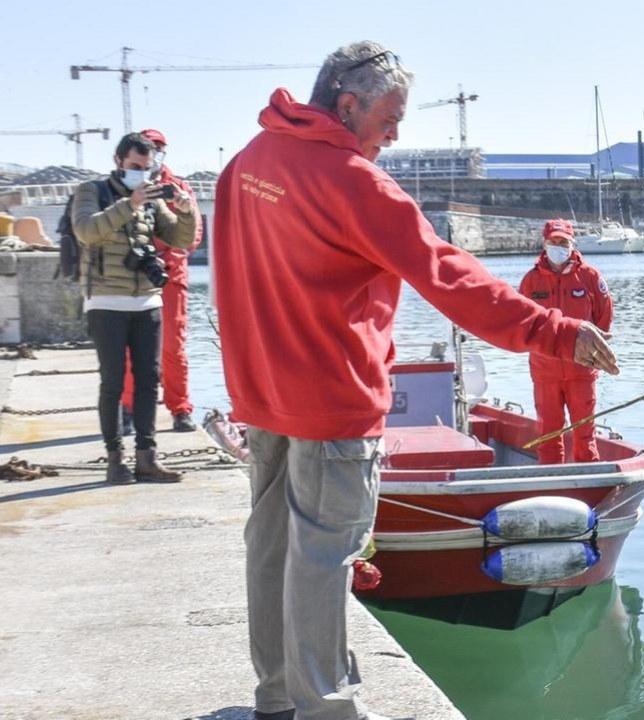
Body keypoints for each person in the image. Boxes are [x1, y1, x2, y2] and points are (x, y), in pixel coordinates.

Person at [213, 41, 616, 720]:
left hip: (263, 393)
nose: (397, 134)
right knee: (323, 555)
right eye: (391, 118)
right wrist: (557, 331)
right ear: (349, 105)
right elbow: (447, 274)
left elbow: (225, 278)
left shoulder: (246, 165)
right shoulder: (354, 182)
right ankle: (329, 708)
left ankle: (277, 700)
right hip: (332, 400)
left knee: (271, 545)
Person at [72, 132, 196, 484]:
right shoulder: (91, 191)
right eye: (134, 167)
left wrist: (185, 212)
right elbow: (85, 231)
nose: (141, 173)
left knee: (148, 381)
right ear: (118, 161)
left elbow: (181, 239)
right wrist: (130, 203)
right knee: (112, 382)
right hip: (106, 301)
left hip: (147, 301)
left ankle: (147, 458)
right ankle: (115, 460)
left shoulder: (154, 197)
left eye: (146, 167)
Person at [120, 128, 204, 434]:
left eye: (156, 148)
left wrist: (165, 254)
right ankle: (127, 408)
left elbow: (192, 235)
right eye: (147, 147)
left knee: (173, 346)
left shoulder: (178, 188)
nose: (151, 153)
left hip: (171, 277)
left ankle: (180, 409)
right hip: (133, 278)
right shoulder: (123, 186)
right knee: (130, 347)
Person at [519, 219, 614, 464]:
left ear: (572, 244)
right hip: (544, 371)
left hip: (581, 370)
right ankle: (551, 481)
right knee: (548, 435)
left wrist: (595, 351)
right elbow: (521, 319)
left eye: (563, 242)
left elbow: (604, 316)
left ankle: (588, 483)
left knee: (585, 434)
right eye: (554, 242)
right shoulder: (531, 281)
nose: (558, 246)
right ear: (545, 243)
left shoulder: (590, 277)